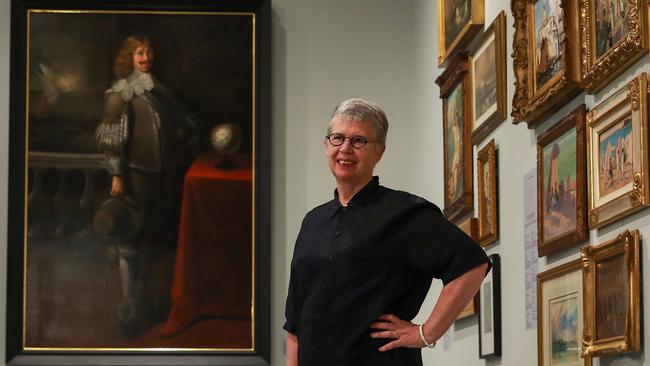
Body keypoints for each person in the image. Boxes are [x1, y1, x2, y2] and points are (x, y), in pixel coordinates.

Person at [284, 98, 490, 366]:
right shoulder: (312, 222)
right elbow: (295, 323)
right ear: (326, 146)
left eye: (358, 141)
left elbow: (471, 264)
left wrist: (426, 333)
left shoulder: (406, 213)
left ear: (379, 152)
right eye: (337, 138)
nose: (345, 148)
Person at [94, 34, 198, 332]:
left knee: (153, 237)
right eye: (139, 52)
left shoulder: (156, 89)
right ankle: (129, 305)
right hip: (135, 175)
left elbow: (180, 120)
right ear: (128, 57)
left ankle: (145, 299)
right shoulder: (121, 93)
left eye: (149, 51)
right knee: (130, 235)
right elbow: (111, 139)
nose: (145, 56)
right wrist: (116, 174)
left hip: (162, 176)